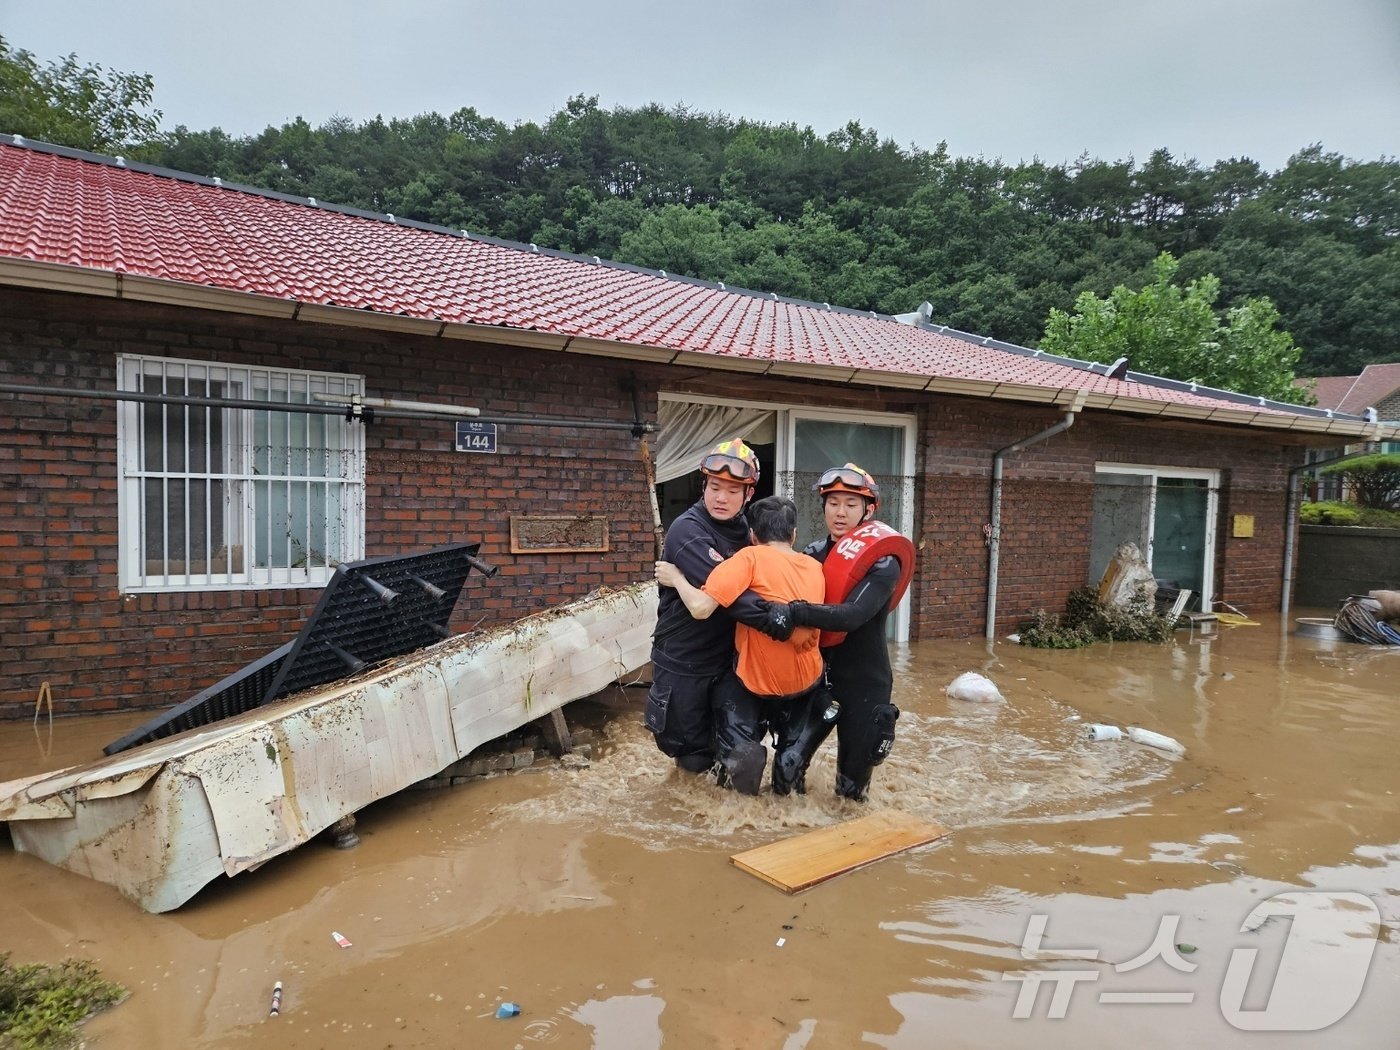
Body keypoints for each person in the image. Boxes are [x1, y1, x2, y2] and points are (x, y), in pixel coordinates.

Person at [655, 495, 837, 795]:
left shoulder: (748, 558)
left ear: (752, 536)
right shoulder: (813, 565)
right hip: (806, 682)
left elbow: (701, 608)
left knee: (741, 752)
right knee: (791, 761)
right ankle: (788, 793)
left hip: (757, 681)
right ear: (793, 535)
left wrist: (676, 578)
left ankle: (742, 802)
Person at [763, 464, 911, 801]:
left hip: (864, 683)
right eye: (833, 503)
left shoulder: (885, 562)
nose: (840, 513)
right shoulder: (811, 555)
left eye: (850, 504)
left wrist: (794, 611)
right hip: (816, 679)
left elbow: (852, 615)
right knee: (786, 770)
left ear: (868, 510)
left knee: (851, 792)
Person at [645, 438, 769, 779]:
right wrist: (777, 618)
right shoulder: (688, 530)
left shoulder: (748, 533)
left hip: (730, 662)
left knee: (742, 752)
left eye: (732, 490)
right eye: (715, 487)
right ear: (704, 486)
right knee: (692, 760)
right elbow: (732, 596)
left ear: (749, 495)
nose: (721, 497)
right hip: (684, 663)